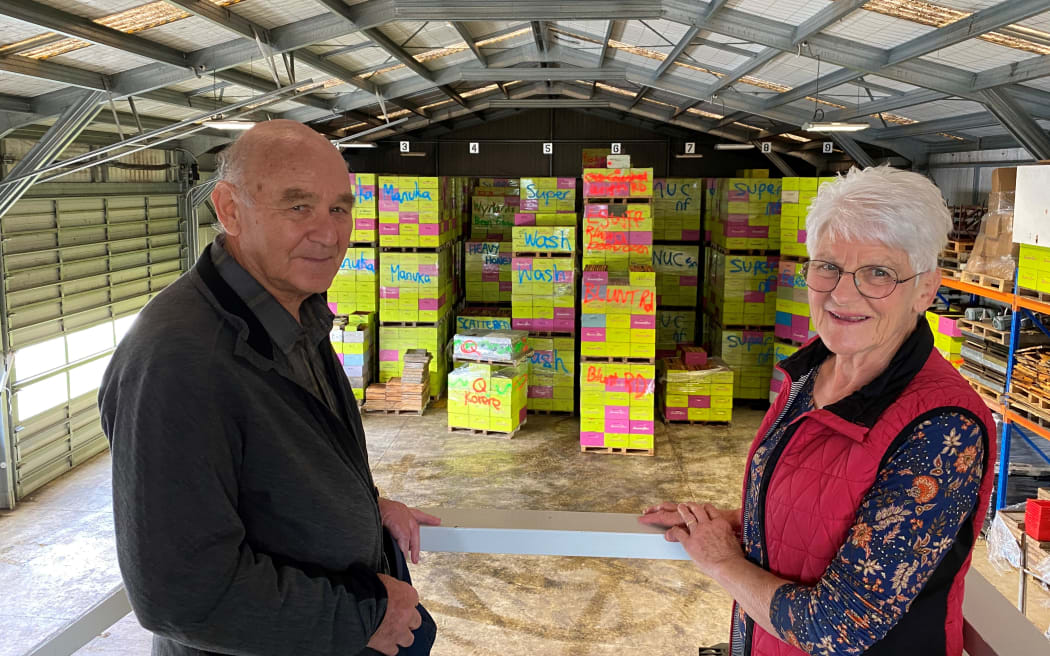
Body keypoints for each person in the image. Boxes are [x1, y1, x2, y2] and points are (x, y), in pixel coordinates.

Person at [99, 120, 439, 656]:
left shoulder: (293, 312)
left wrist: (363, 506)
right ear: (229, 209)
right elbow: (180, 594)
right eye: (298, 206)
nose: (328, 233)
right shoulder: (178, 362)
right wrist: (365, 615)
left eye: (340, 208)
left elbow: (279, 466)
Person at [641, 166, 996, 656]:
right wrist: (730, 522)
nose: (842, 294)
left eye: (879, 273)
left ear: (925, 289)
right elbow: (831, 513)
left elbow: (839, 626)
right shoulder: (811, 374)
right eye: (827, 265)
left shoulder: (940, 428)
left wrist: (721, 560)